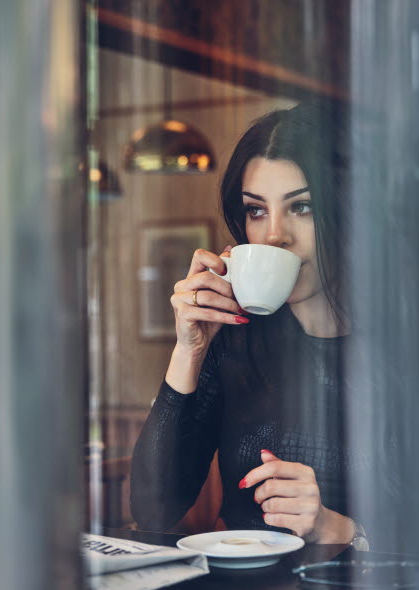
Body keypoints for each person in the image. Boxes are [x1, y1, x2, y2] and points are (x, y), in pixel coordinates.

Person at [130, 101, 366, 546]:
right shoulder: (234, 342)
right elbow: (151, 508)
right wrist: (189, 351)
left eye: (303, 207)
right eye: (256, 211)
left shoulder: (416, 352)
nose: (274, 235)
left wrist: (339, 530)